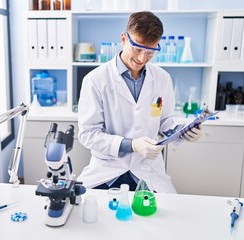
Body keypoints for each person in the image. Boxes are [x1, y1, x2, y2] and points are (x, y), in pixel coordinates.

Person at [76, 11, 203, 193]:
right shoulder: (95, 80)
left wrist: (182, 131)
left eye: (151, 51)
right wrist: (132, 145)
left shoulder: (162, 78)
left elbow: (165, 119)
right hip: (107, 170)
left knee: (169, 214)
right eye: (137, 48)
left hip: (148, 170)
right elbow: (88, 134)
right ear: (123, 39)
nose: (142, 58)